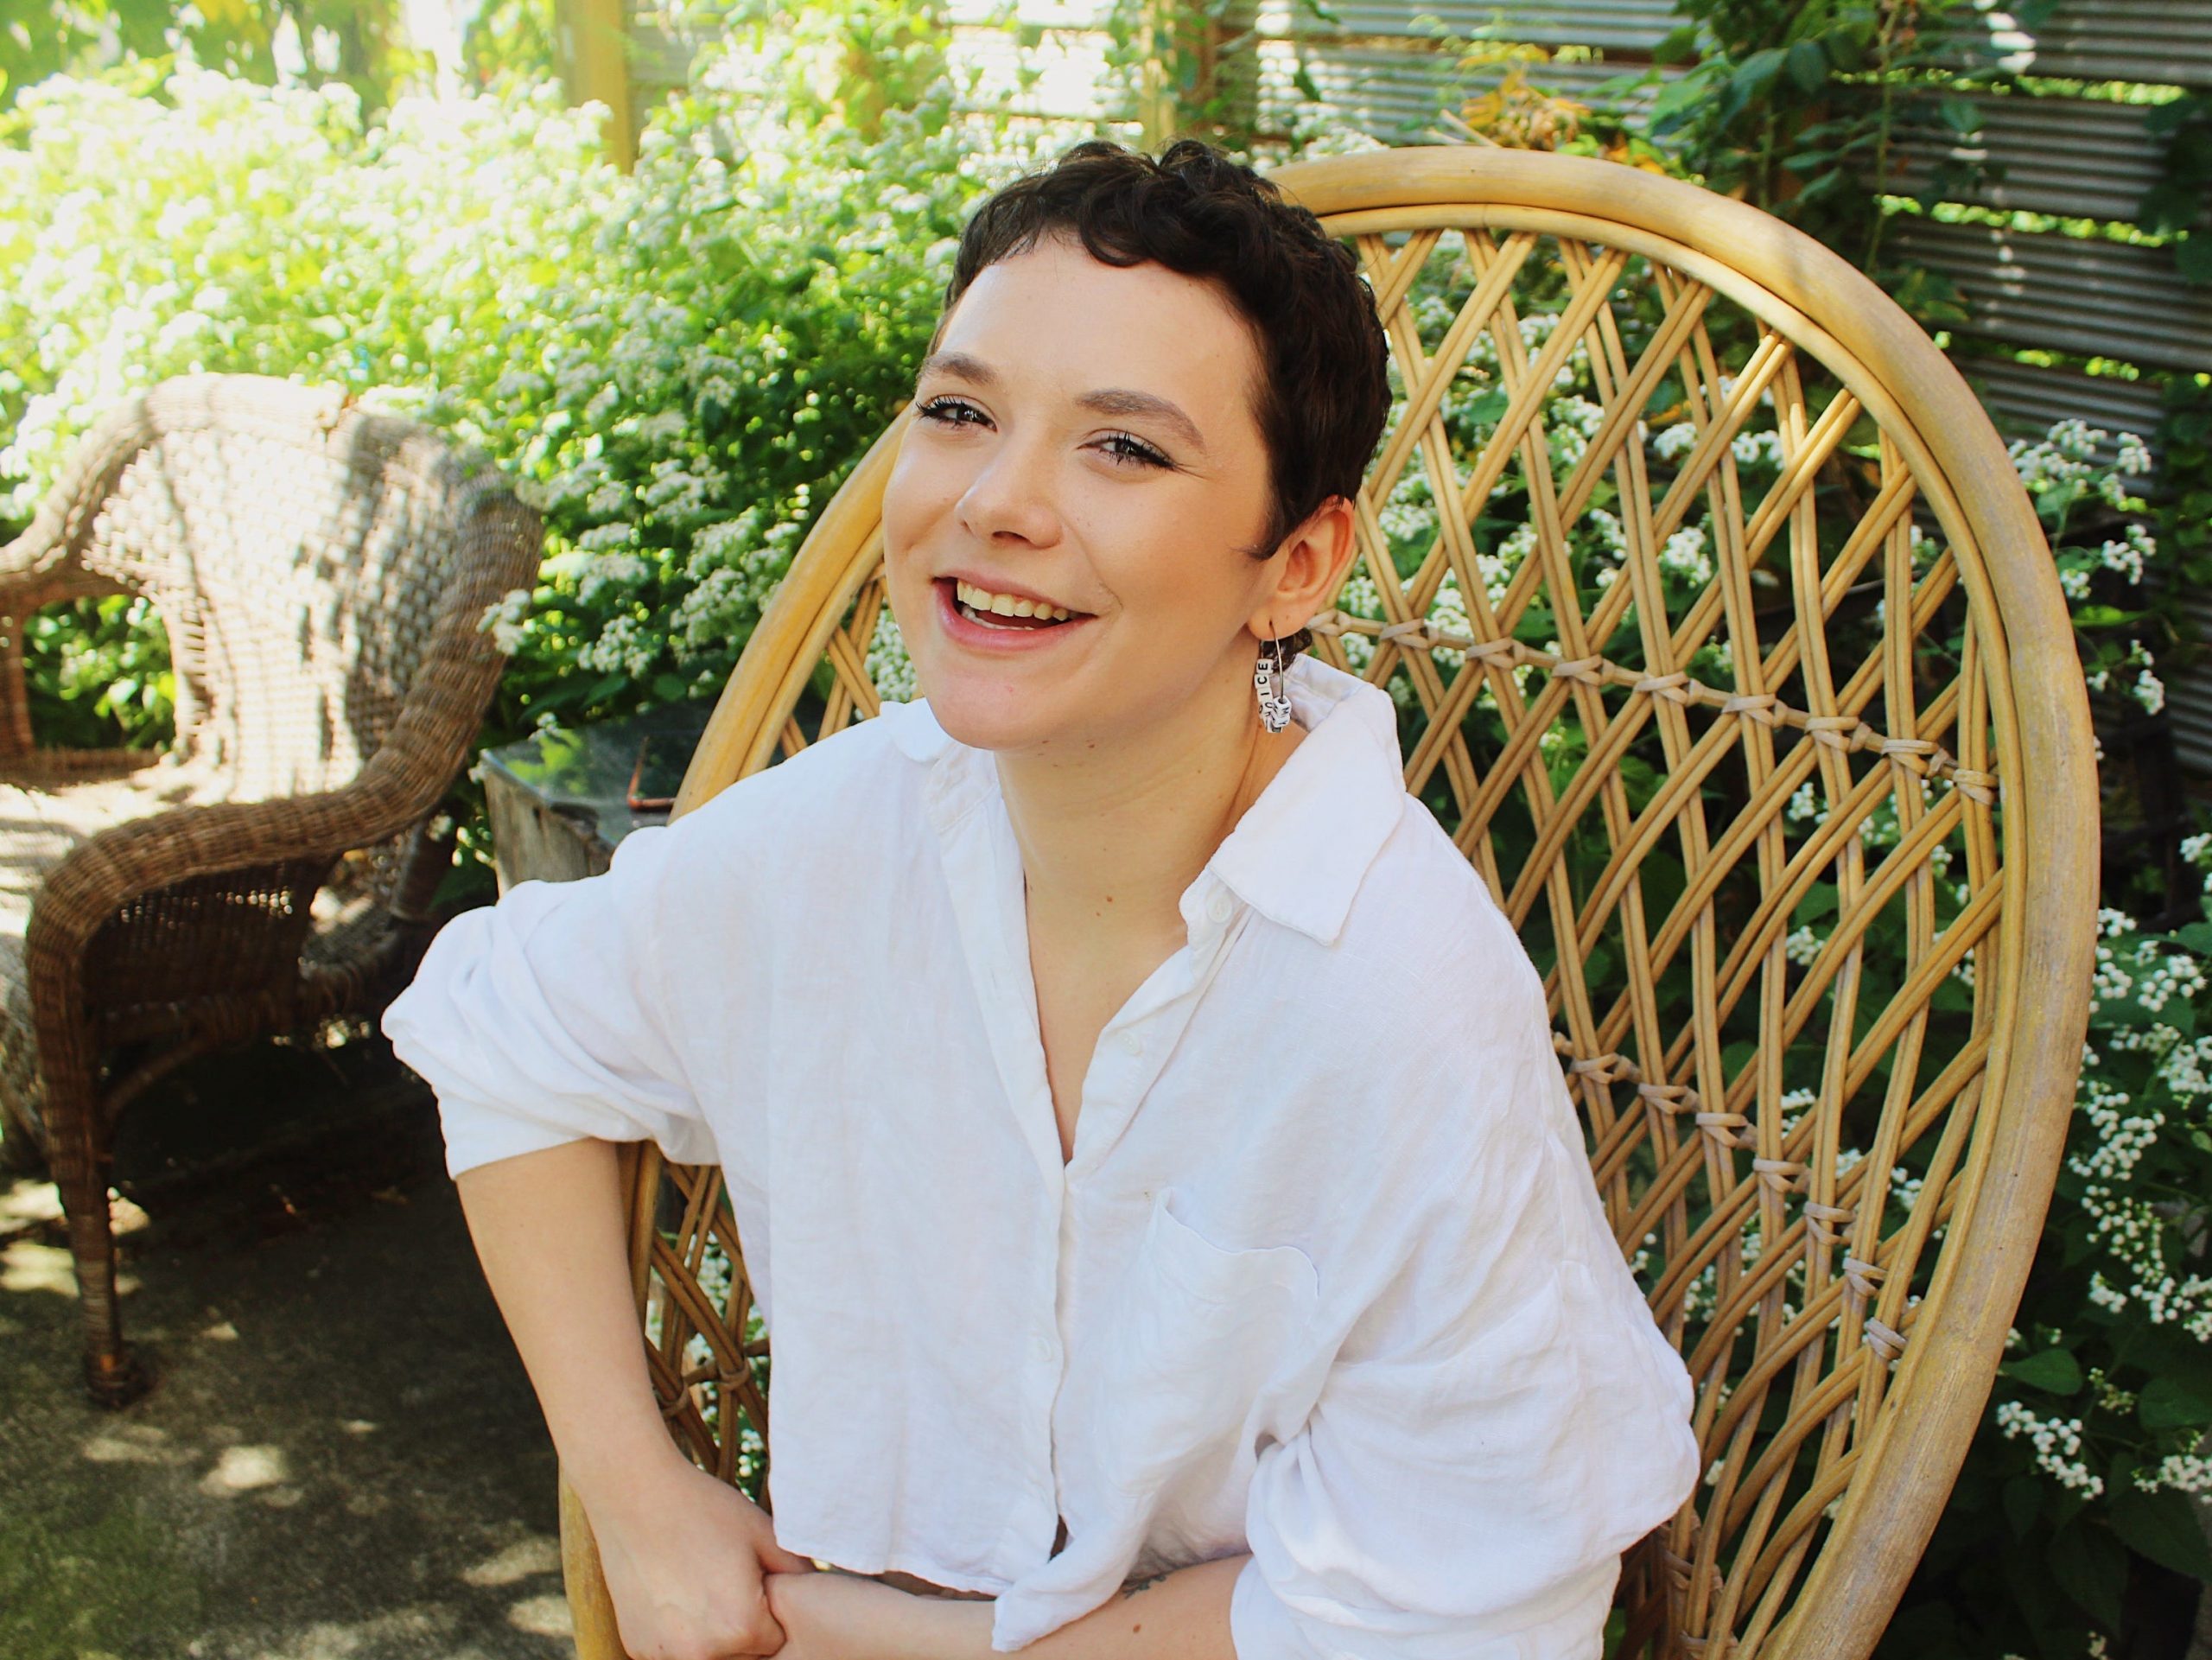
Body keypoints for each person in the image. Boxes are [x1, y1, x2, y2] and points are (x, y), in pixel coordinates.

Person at [381, 137, 1701, 1659]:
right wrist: (636, 1492)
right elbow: (499, 1032)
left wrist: (827, 1627)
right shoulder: (839, 842)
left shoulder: (1393, 996)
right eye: (959, 413)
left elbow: (1458, 1592)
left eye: (1124, 449)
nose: (997, 500)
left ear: (1300, 563)